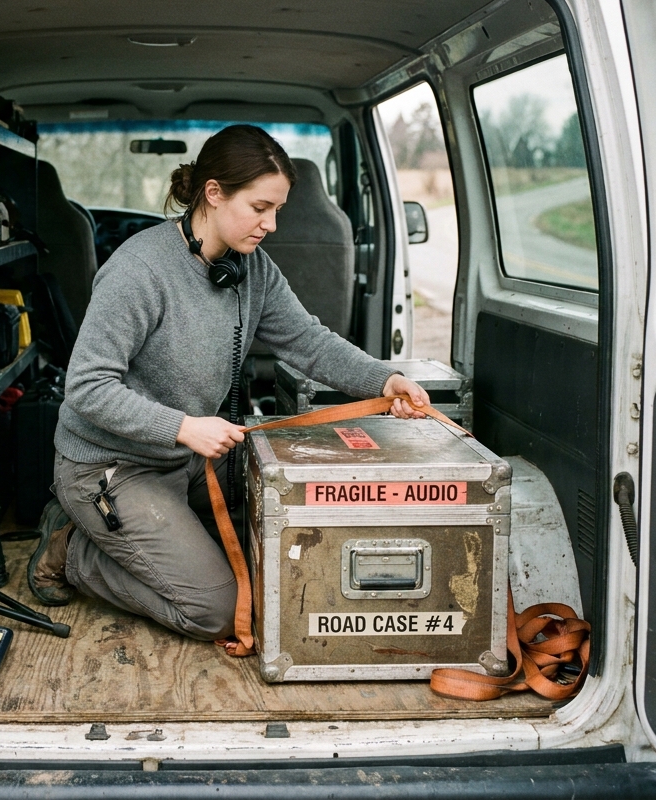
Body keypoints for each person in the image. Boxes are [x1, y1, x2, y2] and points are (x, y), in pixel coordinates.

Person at [26, 124, 431, 643]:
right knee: (216, 611)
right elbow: (86, 387)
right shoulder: (139, 270)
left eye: (278, 210)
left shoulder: (251, 269)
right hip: (111, 467)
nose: (272, 225)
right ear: (213, 194)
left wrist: (386, 377)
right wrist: (182, 427)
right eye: (260, 207)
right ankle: (72, 549)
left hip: (184, 458)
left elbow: (308, 341)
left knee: (289, 509)